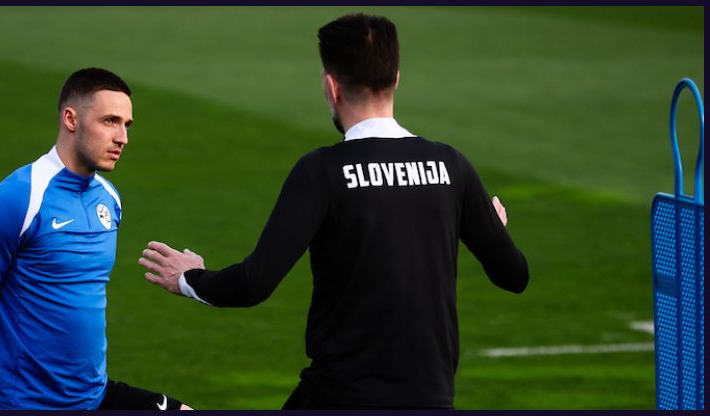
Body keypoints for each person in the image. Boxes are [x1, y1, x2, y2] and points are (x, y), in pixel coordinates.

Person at [139, 13, 529, 410]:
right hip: (431, 400)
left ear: (331, 87)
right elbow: (514, 276)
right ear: (396, 78)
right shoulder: (450, 165)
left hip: (340, 397)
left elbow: (254, 284)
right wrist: (493, 231)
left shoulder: (322, 171)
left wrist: (189, 278)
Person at [0, 68, 191, 410]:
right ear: (71, 119)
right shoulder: (20, 198)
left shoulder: (109, 198)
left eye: (127, 125)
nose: (122, 138)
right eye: (110, 121)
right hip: (25, 403)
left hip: (93, 395)